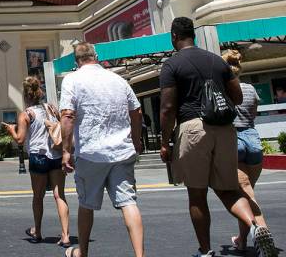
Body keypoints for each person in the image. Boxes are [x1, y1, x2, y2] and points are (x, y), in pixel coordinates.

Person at [159, 17, 276, 257]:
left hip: (193, 128)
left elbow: (168, 107)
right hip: (224, 129)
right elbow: (238, 97)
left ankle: (205, 251)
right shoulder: (216, 60)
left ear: (173, 37)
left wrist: (164, 142)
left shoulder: (172, 65)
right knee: (229, 189)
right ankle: (255, 227)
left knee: (197, 194)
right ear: (193, 34)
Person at [60, 42, 144, 257]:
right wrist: (135, 140)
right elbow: (136, 111)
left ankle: (83, 252)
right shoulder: (117, 79)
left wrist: (66, 150)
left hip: (91, 152)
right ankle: (140, 255)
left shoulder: (72, 80)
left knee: (86, 204)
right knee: (128, 202)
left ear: (76, 61)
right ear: (96, 56)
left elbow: (68, 115)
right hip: (121, 151)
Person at [2, 76, 70, 247]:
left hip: (38, 157)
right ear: (39, 92)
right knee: (59, 195)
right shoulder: (52, 109)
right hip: (55, 154)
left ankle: (38, 231)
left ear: (25, 95)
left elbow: (19, 140)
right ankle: (66, 235)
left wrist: (11, 129)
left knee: (38, 196)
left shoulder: (26, 114)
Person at [222, 50, 272, 252]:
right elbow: (253, 112)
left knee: (248, 196)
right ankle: (242, 241)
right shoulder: (250, 88)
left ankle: (264, 235)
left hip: (235, 141)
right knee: (247, 193)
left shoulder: (224, 90)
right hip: (253, 140)